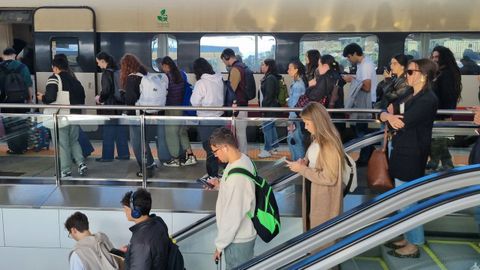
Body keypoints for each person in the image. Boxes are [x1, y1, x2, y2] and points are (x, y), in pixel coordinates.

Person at [380, 59, 438, 258]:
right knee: (403, 198)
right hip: (402, 151)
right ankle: (409, 237)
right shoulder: (410, 94)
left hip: (412, 154)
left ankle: (414, 243)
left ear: (424, 75)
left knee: (408, 201)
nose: (407, 75)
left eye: (411, 72)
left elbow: (403, 122)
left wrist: (390, 117)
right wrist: (387, 117)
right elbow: (386, 109)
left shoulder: (428, 99)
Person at [285, 102, 344, 231]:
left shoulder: (329, 145)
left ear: (317, 121)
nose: (305, 127)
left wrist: (302, 169)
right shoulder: (318, 138)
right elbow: (314, 159)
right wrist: (304, 161)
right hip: (314, 191)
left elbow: (330, 178)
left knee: (320, 236)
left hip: (323, 198)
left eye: (307, 123)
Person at [206, 127, 256, 270]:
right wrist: (219, 185)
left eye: (215, 151)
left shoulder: (237, 178)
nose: (215, 156)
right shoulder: (243, 160)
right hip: (240, 237)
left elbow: (234, 215)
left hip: (238, 240)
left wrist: (220, 246)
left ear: (225, 147)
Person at [37, 56, 87, 177]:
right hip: (74, 115)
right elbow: (82, 98)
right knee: (73, 141)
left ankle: (65, 170)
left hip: (61, 116)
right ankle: (81, 163)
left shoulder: (54, 78)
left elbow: (50, 98)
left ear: (55, 67)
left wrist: (41, 97)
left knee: (62, 143)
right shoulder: (75, 80)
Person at [120, 53, 156, 178]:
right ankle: (150, 163)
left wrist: (122, 95)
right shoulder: (143, 76)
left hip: (135, 116)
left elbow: (130, 100)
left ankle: (145, 168)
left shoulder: (132, 78)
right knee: (143, 141)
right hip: (145, 113)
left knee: (137, 143)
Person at [342, 43, 378, 166]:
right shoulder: (362, 65)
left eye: (349, 57)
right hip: (363, 102)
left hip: (366, 102)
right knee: (359, 129)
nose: (348, 59)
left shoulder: (366, 65)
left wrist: (352, 80)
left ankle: (365, 158)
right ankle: (367, 155)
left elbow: (367, 87)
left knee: (361, 130)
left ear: (355, 54)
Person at [428, 46, 462, 171]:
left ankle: (440, 163)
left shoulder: (446, 74)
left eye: (437, 57)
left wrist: (447, 113)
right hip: (439, 112)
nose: (434, 59)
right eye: (433, 57)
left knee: (437, 139)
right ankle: (444, 163)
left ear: (444, 57)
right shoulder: (441, 72)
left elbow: (448, 95)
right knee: (439, 139)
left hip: (441, 112)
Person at [190, 57, 225, 181]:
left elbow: (194, 102)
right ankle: (221, 172)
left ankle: (212, 176)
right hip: (220, 118)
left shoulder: (201, 83)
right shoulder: (218, 79)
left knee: (209, 149)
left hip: (206, 120)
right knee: (219, 146)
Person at [160, 56, 197, 167]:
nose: (162, 69)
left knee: (171, 134)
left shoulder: (167, 77)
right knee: (182, 132)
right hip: (182, 108)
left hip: (172, 109)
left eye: (163, 67)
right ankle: (191, 156)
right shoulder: (182, 74)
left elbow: (164, 93)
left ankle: (175, 159)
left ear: (166, 66)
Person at [120, 188, 171, 269]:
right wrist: (131, 250)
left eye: (126, 209)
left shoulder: (140, 242)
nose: (124, 212)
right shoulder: (158, 222)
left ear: (135, 212)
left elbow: (144, 248)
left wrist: (136, 249)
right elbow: (152, 251)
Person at [95, 51, 130, 162]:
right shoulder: (118, 71)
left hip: (110, 106)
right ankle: (124, 154)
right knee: (121, 131)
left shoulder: (106, 73)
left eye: (98, 62)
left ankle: (107, 156)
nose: (98, 65)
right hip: (120, 105)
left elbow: (106, 91)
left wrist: (99, 99)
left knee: (108, 131)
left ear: (103, 61)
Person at [1, 47, 33, 154]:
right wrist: (29, 99)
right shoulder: (22, 67)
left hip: (4, 101)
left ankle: (12, 148)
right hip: (20, 101)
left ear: (3, 56)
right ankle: (23, 147)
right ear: (14, 55)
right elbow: (29, 85)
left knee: (8, 124)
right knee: (21, 123)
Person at [220, 48, 249, 154]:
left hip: (239, 106)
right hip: (243, 104)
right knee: (240, 133)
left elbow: (232, 89)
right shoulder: (242, 67)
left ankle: (243, 156)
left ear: (226, 57)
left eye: (223, 60)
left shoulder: (236, 69)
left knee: (240, 133)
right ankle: (243, 155)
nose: (224, 63)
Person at [258, 59, 281, 158]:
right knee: (271, 127)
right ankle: (274, 147)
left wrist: (264, 109)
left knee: (267, 128)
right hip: (271, 107)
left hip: (269, 107)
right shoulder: (271, 77)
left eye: (263, 65)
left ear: (268, 66)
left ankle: (267, 149)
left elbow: (269, 96)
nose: (261, 66)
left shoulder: (270, 78)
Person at [286, 60, 307, 161]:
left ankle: (298, 162)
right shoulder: (297, 83)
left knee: (295, 140)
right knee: (294, 139)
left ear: (296, 70)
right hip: (295, 117)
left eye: (290, 68)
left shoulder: (298, 85)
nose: (288, 70)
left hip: (295, 117)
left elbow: (295, 105)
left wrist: (292, 120)